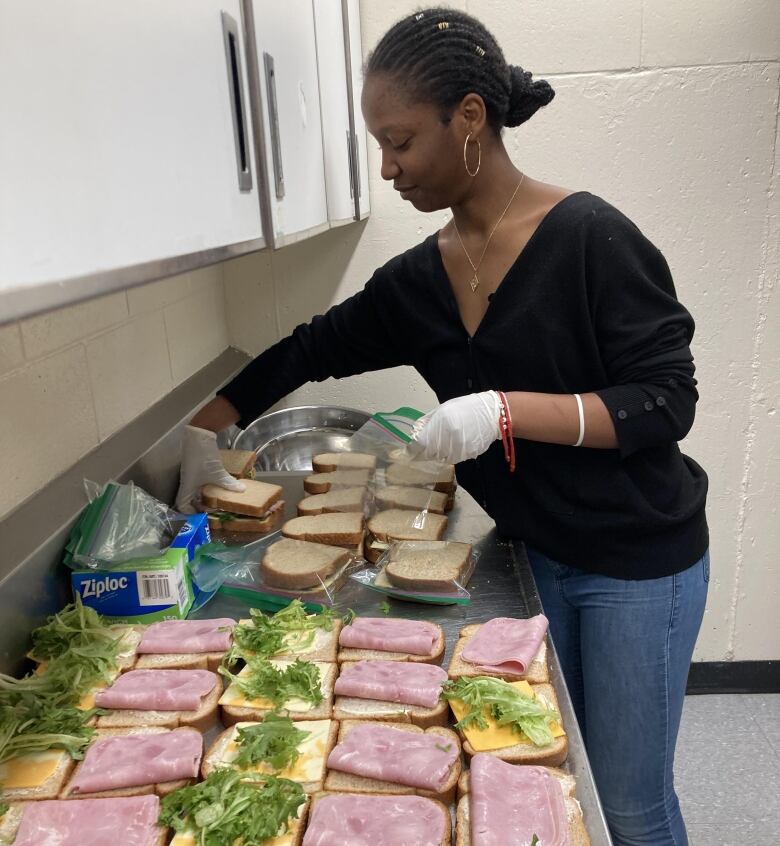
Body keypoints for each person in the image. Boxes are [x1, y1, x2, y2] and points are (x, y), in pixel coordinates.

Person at [176, 8, 708, 845]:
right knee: (552, 773)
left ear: (469, 120)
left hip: (635, 561)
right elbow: (305, 351)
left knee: (631, 807)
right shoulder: (419, 281)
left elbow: (666, 400)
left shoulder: (589, 239)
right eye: (378, 147)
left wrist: (503, 411)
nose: (388, 168)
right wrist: (199, 439)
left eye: (400, 141)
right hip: (532, 549)